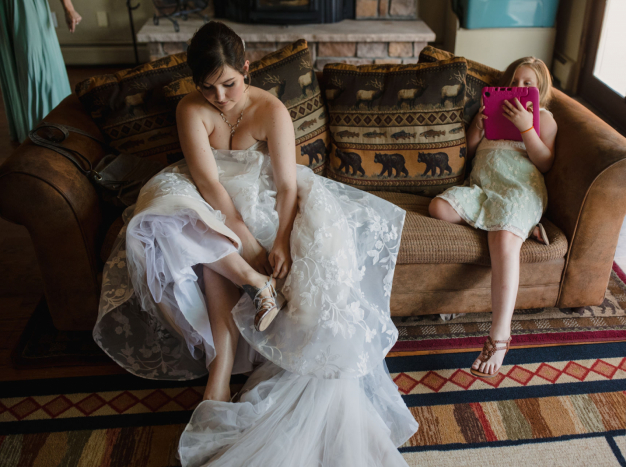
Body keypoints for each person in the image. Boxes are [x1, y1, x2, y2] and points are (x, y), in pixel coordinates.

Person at [94, 21, 417, 466]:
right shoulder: (191, 110)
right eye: (209, 89)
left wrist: (281, 240)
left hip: (264, 196)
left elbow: (286, 186)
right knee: (165, 218)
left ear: (246, 68)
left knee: (222, 253)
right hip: (208, 196)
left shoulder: (271, 110)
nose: (221, 97)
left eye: (229, 83)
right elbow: (208, 182)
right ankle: (233, 330)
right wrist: (243, 241)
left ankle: (221, 372)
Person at [428, 56, 558, 378]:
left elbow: (544, 162)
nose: (519, 87)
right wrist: (477, 128)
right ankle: (521, 227)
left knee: (501, 237)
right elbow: (470, 152)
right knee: (438, 208)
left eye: (528, 83)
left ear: (539, 90)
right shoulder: (492, 111)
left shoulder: (543, 118)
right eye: (515, 81)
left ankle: (499, 337)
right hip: (483, 187)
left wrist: (526, 126)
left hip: (518, 188)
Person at [0, 0, 81, 143]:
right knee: (10, 64)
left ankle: (50, 126)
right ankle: (29, 128)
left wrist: (69, 9)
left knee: (36, 63)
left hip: (26, 5)